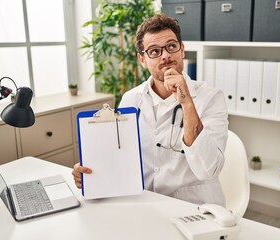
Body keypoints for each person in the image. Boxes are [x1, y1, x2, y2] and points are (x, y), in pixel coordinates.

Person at [72, 14, 228, 206]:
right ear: (142, 59)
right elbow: (118, 157)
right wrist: (92, 172)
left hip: (194, 208)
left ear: (182, 50)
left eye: (171, 46)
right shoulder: (131, 99)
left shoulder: (211, 98)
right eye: (154, 51)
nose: (165, 56)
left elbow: (208, 170)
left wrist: (187, 103)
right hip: (145, 204)